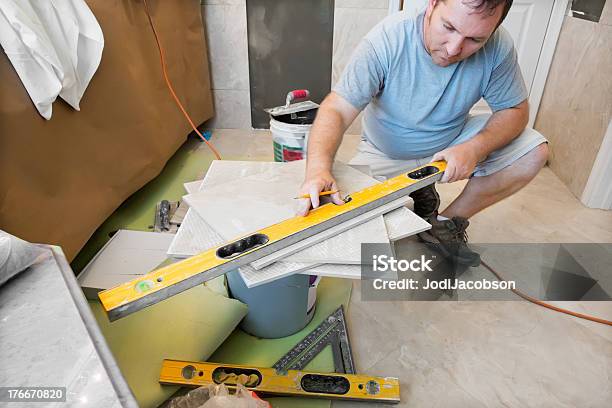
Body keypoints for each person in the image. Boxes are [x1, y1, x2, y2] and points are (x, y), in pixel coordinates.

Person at [297, 0, 549, 266]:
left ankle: (442, 225)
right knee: (347, 232)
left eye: (475, 39)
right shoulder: (387, 39)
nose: (454, 49)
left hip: (451, 142)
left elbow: (515, 110)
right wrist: (318, 169)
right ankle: (420, 191)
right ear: (431, 5)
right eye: (448, 27)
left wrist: (476, 148)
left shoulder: (499, 46)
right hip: (384, 150)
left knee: (534, 153)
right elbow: (336, 108)